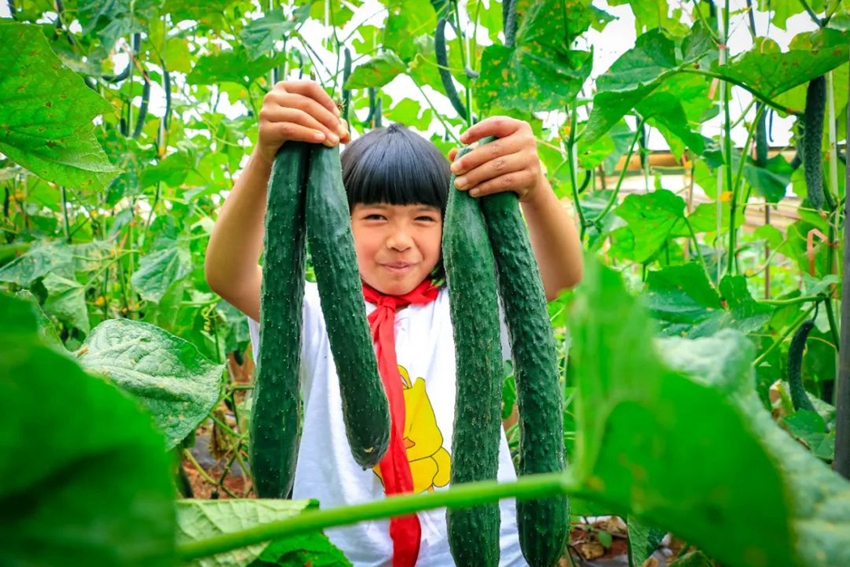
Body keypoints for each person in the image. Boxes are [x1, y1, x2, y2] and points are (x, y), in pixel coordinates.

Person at [205, 80, 583, 567]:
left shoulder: (472, 311)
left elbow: (562, 275)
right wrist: (266, 159)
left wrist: (533, 189)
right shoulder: (313, 311)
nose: (401, 240)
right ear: (337, 217)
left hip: (488, 548)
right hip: (342, 555)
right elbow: (227, 274)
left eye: (424, 218)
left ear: (449, 225)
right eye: (377, 216)